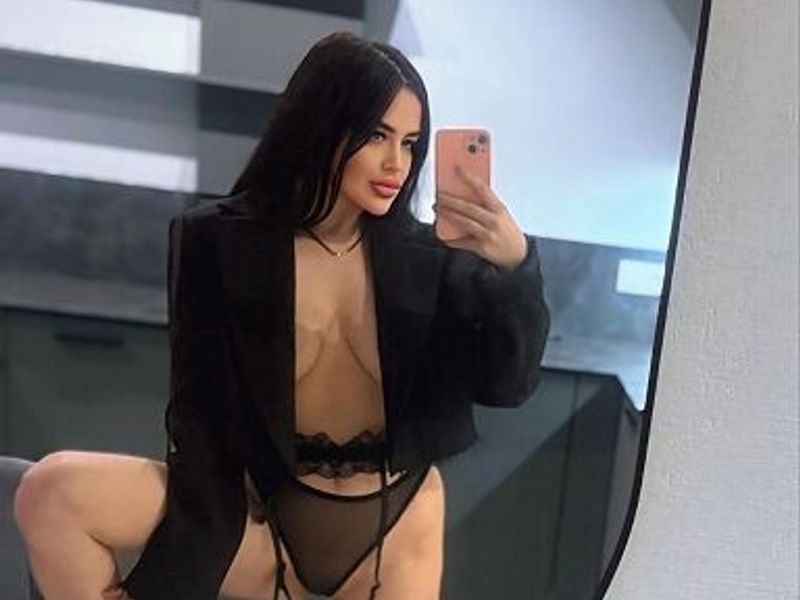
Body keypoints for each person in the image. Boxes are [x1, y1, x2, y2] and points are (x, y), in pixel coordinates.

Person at [13, 32, 550, 600]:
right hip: (256, 518)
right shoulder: (217, 240)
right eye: (376, 136)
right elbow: (199, 418)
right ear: (322, 125)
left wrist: (515, 269)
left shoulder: (437, 256)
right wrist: (173, 578)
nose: (398, 163)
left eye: (411, 143)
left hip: (396, 528)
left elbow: (508, 387)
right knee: (52, 489)